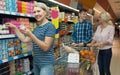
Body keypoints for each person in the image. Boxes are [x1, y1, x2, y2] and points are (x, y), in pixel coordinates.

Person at [6, 2, 56, 75]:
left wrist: (31, 35)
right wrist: (15, 28)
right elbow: (25, 39)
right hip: (36, 63)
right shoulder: (37, 28)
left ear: (45, 12)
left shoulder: (50, 26)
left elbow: (45, 47)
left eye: (39, 11)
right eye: (34, 12)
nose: (36, 14)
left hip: (46, 64)